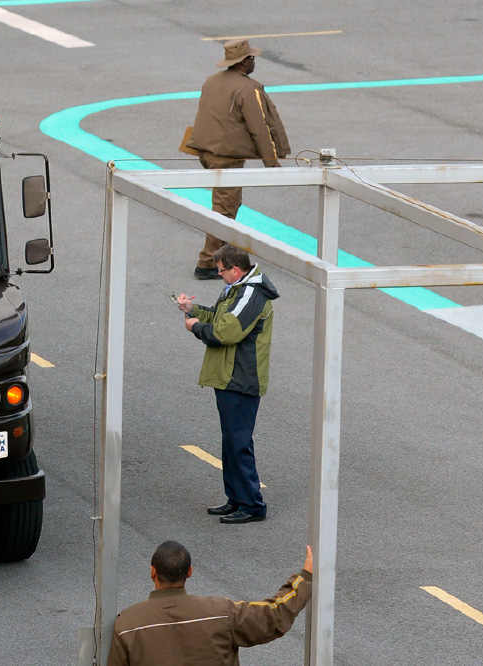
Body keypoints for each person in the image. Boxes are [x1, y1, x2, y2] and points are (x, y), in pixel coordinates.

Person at [177, 245, 278, 524]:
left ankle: (252, 505)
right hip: (231, 377)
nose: (219, 275)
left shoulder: (251, 294)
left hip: (241, 378)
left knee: (239, 443)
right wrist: (193, 309)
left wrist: (196, 327)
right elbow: (221, 317)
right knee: (231, 442)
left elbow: (226, 332)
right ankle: (237, 498)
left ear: (235, 269)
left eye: (221, 270)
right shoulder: (239, 288)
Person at [107, 540, 312, 666]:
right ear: (189, 572)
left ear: (153, 572)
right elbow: (273, 616)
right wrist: (305, 577)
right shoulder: (221, 613)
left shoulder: (126, 625)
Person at [185, 39, 290, 280]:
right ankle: (207, 262)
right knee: (225, 209)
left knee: (222, 204)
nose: (254, 62)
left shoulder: (212, 81)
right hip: (227, 156)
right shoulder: (247, 88)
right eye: (252, 58)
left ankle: (217, 257)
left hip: (206, 150)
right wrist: (270, 160)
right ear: (244, 61)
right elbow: (260, 127)